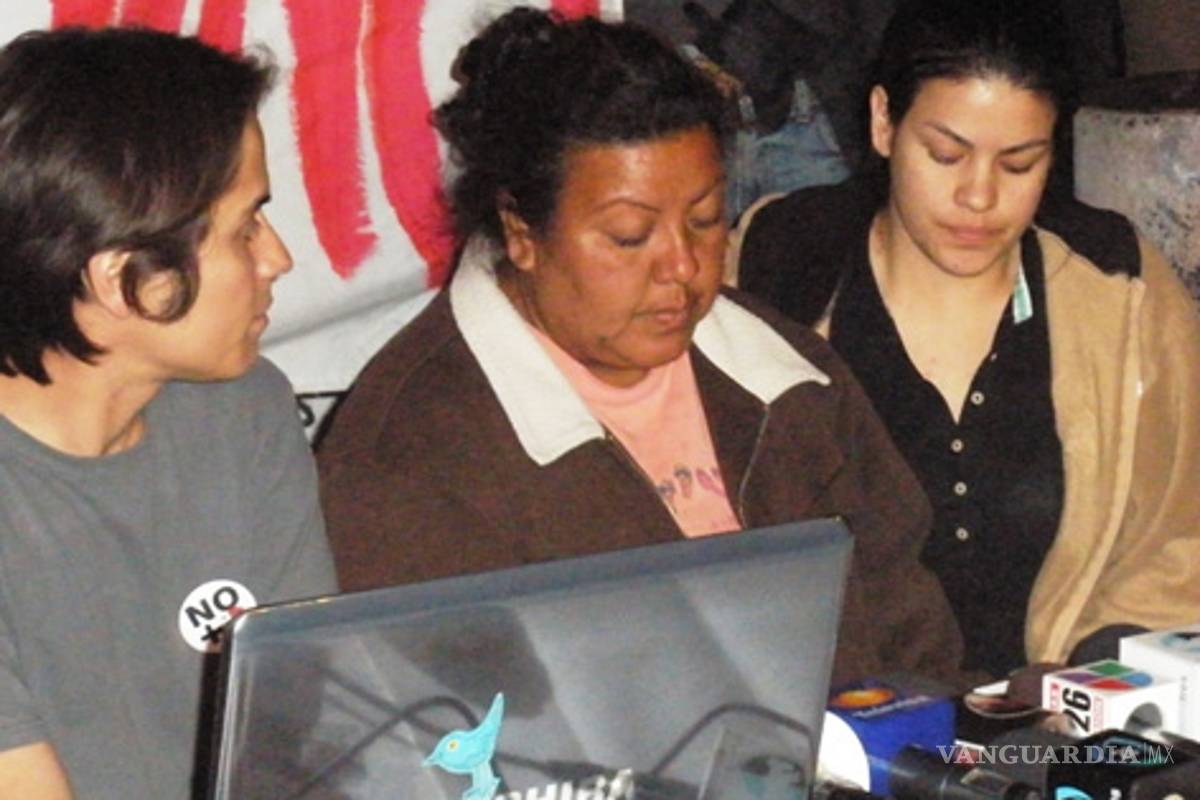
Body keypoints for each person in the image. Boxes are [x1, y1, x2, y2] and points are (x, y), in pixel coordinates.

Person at [318, 7, 962, 688]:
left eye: (705, 220)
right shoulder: (409, 456)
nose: (681, 266)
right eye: (630, 236)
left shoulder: (788, 380)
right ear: (522, 233)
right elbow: (441, 727)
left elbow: (914, 642)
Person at [734, 0, 1200, 678]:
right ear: (883, 122)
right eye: (946, 155)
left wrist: (1086, 684)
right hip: (841, 720)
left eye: (1019, 164)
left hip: (1067, 717)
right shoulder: (778, 274)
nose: (979, 197)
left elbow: (1179, 543)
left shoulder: (1117, 286)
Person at [0, 27, 337, 798]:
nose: (277, 258)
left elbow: (305, 722)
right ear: (125, 281)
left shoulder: (244, 408)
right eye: (245, 228)